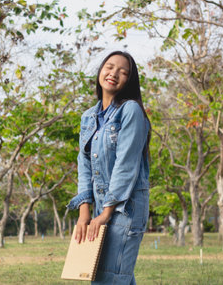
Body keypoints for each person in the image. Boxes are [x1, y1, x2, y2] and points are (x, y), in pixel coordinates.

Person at [67, 51, 151, 284]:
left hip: (126, 208)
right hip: (101, 209)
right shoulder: (89, 116)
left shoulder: (130, 110)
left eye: (123, 72)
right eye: (109, 66)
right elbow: (83, 164)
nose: (114, 73)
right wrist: (85, 213)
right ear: (101, 70)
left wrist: (106, 213)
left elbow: (126, 165)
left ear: (129, 81)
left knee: (110, 278)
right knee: (111, 276)